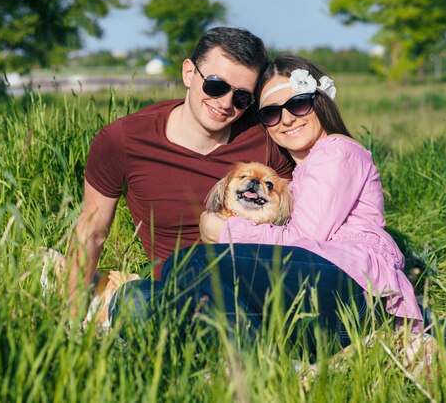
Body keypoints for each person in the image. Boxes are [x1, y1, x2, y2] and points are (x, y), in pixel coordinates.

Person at [111, 54, 424, 347]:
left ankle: (252, 364)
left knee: (189, 263)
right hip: (312, 296)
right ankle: (241, 344)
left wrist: (222, 230)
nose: (286, 119)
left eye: (298, 105)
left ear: (320, 102)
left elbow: (303, 239)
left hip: (352, 285)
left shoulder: (336, 152)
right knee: (136, 296)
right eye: (272, 113)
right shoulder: (301, 171)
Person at [66, 27, 294, 311]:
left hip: (259, 287)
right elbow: (92, 230)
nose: (224, 104)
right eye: (215, 85)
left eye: (241, 98)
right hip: (179, 294)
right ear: (189, 73)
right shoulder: (124, 140)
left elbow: (298, 219)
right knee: (134, 302)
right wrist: (69, 315)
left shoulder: (267, 139)